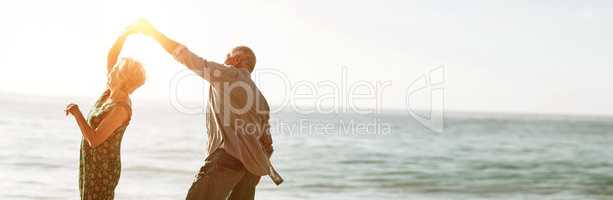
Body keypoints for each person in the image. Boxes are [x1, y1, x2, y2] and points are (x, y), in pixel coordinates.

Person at [132, 19, 281, 200]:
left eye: (228, 55)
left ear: (237, 59)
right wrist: (255, 173)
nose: (224, 59)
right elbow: (267, 143)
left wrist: (153, 33)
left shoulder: (230, 75)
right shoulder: (261, 100)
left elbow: (188, 58)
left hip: (226, 162)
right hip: (250, 171)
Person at [65, 28, 146, 200]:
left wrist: (77, 113)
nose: (111, 71)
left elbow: (94, 140)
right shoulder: (109, 92)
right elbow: (111, 56)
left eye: (116, 70)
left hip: (103, 169)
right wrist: (126, 33)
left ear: (123, 79)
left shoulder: (121, 108)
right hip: (91, 163)